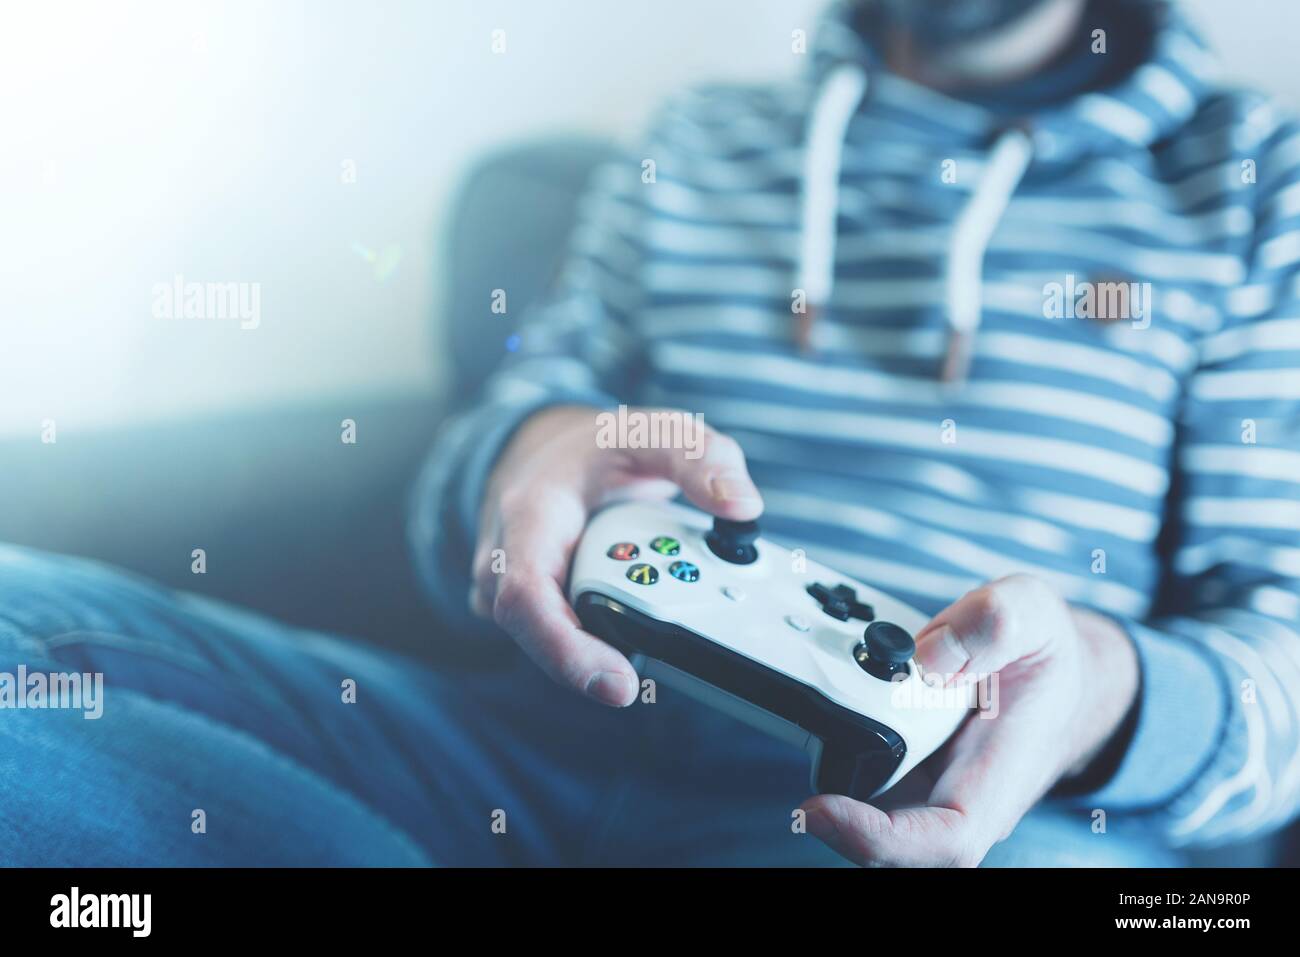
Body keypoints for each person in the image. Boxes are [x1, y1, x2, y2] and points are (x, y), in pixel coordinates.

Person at [3, 0, 1298, 866]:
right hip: (511, 751)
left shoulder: (1254, 182)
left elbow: (1283, 669)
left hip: (955, 824)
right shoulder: (696, 139)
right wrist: (527, 458)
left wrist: (1094, 694)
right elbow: (503, 440)